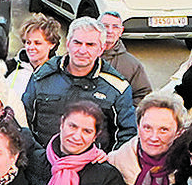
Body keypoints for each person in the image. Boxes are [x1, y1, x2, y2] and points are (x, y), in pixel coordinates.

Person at [22, 17, 136, 148]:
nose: (82, 50)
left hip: (93, 165)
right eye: (77, 43)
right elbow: (24, 121)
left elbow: (127, 134)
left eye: (90, 45)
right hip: (45, 161)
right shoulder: (41, 77)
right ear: (68, 43)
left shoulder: (116, 87)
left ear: (101, 48)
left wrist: (106, 163)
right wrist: (37, 156)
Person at [99, 12, 153, 104]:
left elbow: (143, 95)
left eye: (115, 27)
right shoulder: (82, 56)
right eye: (105, 26)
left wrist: (125, 114)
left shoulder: (132, 65)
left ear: (121, 31)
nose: (110, 31)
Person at [7, 14, 62, 104]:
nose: (31, 47)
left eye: (37, 43)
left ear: (52, 44)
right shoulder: (10, 68)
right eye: (28, 42)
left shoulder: (61, 72)